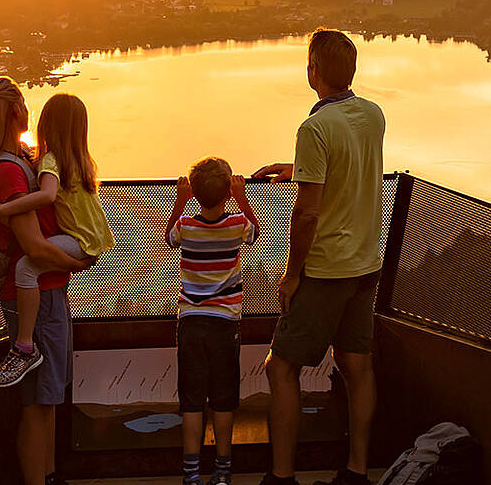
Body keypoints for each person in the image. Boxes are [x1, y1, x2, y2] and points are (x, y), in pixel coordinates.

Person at [253, 29, 386, 485]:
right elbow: (350, 162)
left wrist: (291, 276)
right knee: (357, 364)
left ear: (313, 71)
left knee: (282, 367)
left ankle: (282, 476)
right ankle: (356, 471)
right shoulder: (372, 115)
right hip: (367, 262)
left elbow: (307, 213)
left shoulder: (313, 128)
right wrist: (296, 168)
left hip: (327, 267)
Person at [0, 76, 91, 485]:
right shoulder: (10, 172)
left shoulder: (7, 161)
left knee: (46, 400)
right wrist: (76, 260)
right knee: (36, 404)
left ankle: (49, 476)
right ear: (17, 112)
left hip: (41, 293)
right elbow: (31, 245)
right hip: (36, 294)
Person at [0, 93, 116, 388]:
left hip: (77, 240)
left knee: (25, 269)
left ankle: (24, 345)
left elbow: (46, 195)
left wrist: (7, 208)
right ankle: (25, 345)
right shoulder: (81, 160)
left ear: (46, 125)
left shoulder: (50, 160)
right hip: (91, 238)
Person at [165, 158, 261, 485]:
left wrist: (180, 200)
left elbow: (169, 238)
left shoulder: (187, 226)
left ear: (194, 192)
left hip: (191, 321)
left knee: (191, 402)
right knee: (223, 401)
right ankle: (222, 473)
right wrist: (242, 195)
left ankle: (191, 476)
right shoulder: (236, 224)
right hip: (225, 324)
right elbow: (255, 232)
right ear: (227, 193)